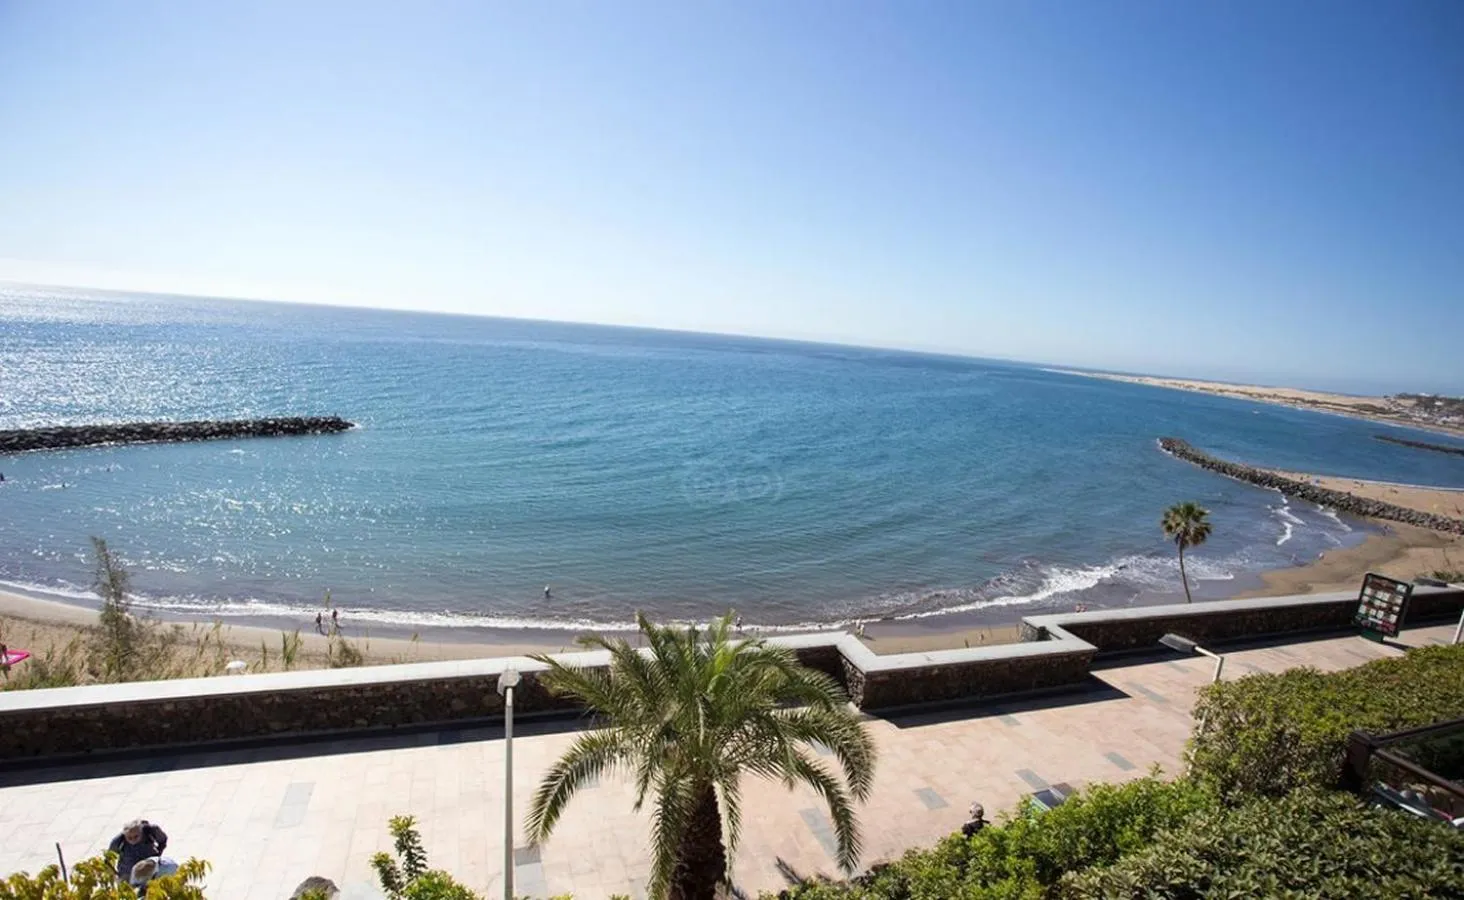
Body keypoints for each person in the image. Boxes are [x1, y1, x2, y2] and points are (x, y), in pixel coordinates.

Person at [108, 819, 175, 888]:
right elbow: (109, 857)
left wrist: (157, 855)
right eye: (129, 838)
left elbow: (163, 840)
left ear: (141, 832)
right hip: (128, 873)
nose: (133, 840)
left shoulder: (150, 830)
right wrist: (115, 874)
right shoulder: (118, 840)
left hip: (149, 870)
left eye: (136, 836)